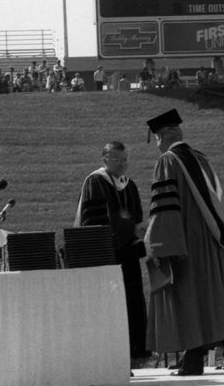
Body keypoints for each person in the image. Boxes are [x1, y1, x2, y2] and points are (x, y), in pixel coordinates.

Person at [143, 109, 224, 376]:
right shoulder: (202, 159)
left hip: (189, 243)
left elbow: (165, 208)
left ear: (164, 135)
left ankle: (193, 361)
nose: (157, 145)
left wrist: (159, 246)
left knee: (191, 299)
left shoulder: (168, 161)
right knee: (220, 298)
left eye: (157, 138)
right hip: (219, 240)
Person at [75, 141, 149, 360]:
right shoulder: (95, 182)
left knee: (133, 301)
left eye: (125, 159)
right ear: (105, 159)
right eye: (117, 159)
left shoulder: (130, 184)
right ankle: (113, 356)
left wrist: (137, 230)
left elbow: (135, 216)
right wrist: (129, 228)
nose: (123, 164)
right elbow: (94, 222)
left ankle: (136, 352)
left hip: (128, 255)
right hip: (106, 256)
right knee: (111, 305)